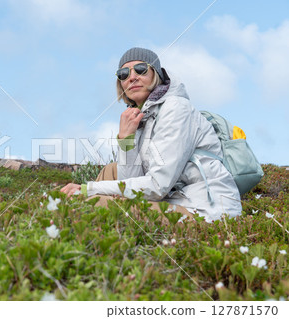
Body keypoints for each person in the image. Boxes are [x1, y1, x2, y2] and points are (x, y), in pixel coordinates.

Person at [61, 47, 242, 222]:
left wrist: (89, 189)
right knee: (111, 171)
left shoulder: (176, 108)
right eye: (124, 74)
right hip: (175, 200)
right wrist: (126, 141)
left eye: (141, 69)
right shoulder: (142, 116)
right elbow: (130, 182)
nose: (132, 77)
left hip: (206, 210)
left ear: (156, 74)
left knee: (92, 202)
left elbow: (157, 185)